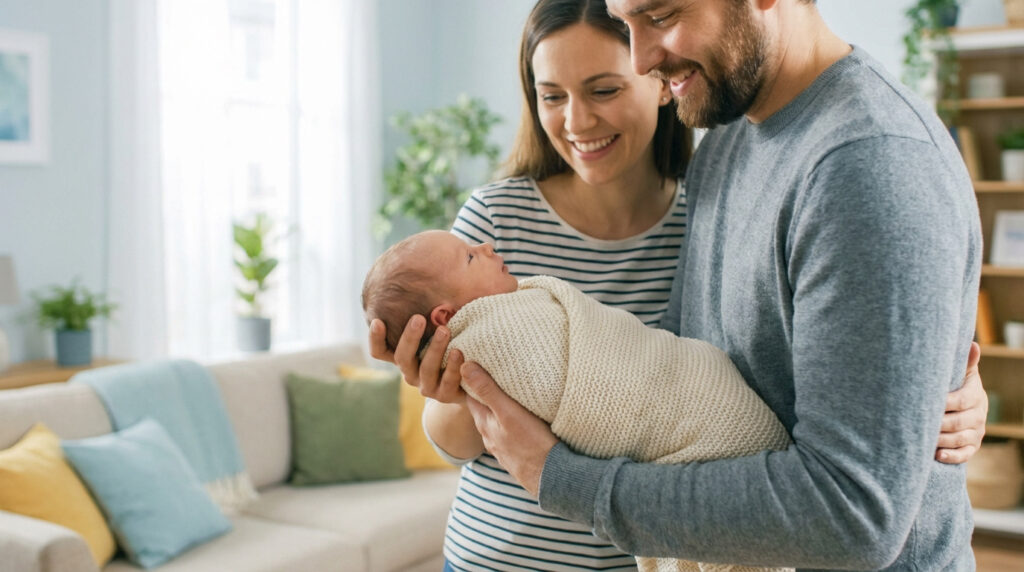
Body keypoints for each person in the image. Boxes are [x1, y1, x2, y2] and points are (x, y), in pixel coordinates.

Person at [370, 0, 989, 569]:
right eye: (627, 21)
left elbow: (855, 513)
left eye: (660, 14)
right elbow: (708, 374)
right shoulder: (726, 143)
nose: (642, 59)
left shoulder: (870, 163)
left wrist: (560, 478)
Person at [364, 229, 793, 572]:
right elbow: (451, 446)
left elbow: (651, 360)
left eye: (601, 109)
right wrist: (455, 392)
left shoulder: (693, 212)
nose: (577, 119)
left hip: (632, 530)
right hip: (492, 556)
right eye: (471, 256)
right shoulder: (491, 219)